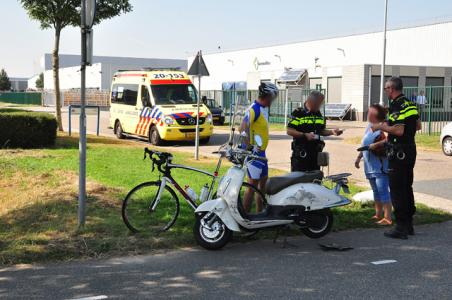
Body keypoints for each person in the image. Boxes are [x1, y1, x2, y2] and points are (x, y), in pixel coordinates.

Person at [372, 76, 421, 239]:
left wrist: (381, 126)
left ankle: (400, 228)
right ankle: (408, 225)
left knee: (398, 190)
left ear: (391, 89)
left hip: (399, 152)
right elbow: (418, 126)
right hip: (410, 150)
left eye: (386, 88)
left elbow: (398, 131)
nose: (385, 91)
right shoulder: (410, 104)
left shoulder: (397, 105)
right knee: (407, 187)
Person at [240, 82, 278, 213]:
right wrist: (248, 146)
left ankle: (259, 214)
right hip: (255, 155)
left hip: (262, 154)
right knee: (251, 187)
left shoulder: (262, 109)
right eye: (273, 98)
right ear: (268, 96)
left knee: (262, 187)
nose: (273, 101)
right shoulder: (254, 109)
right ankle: (245, 217)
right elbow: (243, 127)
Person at [287, 91, 343, 172]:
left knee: (315, 180)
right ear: (311, 102)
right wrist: (304, 135)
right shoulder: (298, 113)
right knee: (299, 181)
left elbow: (321, 131)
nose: (320, 106)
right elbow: (289, 131)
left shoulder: (318, 114)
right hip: (301, 155)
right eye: (318, 104)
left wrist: (332, 132)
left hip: (315, 155)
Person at [355, 104, 392, 225]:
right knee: (376, 191)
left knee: (383, 191)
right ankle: (378, 214)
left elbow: (389, 140)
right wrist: (359, 157)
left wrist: (377, 145)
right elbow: (365, 143)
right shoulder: (370, 127)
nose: (367, 113)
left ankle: (387, 218)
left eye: (370, 112)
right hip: (370, 166)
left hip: (380, 166)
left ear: (375, 116)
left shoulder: (384, 126)